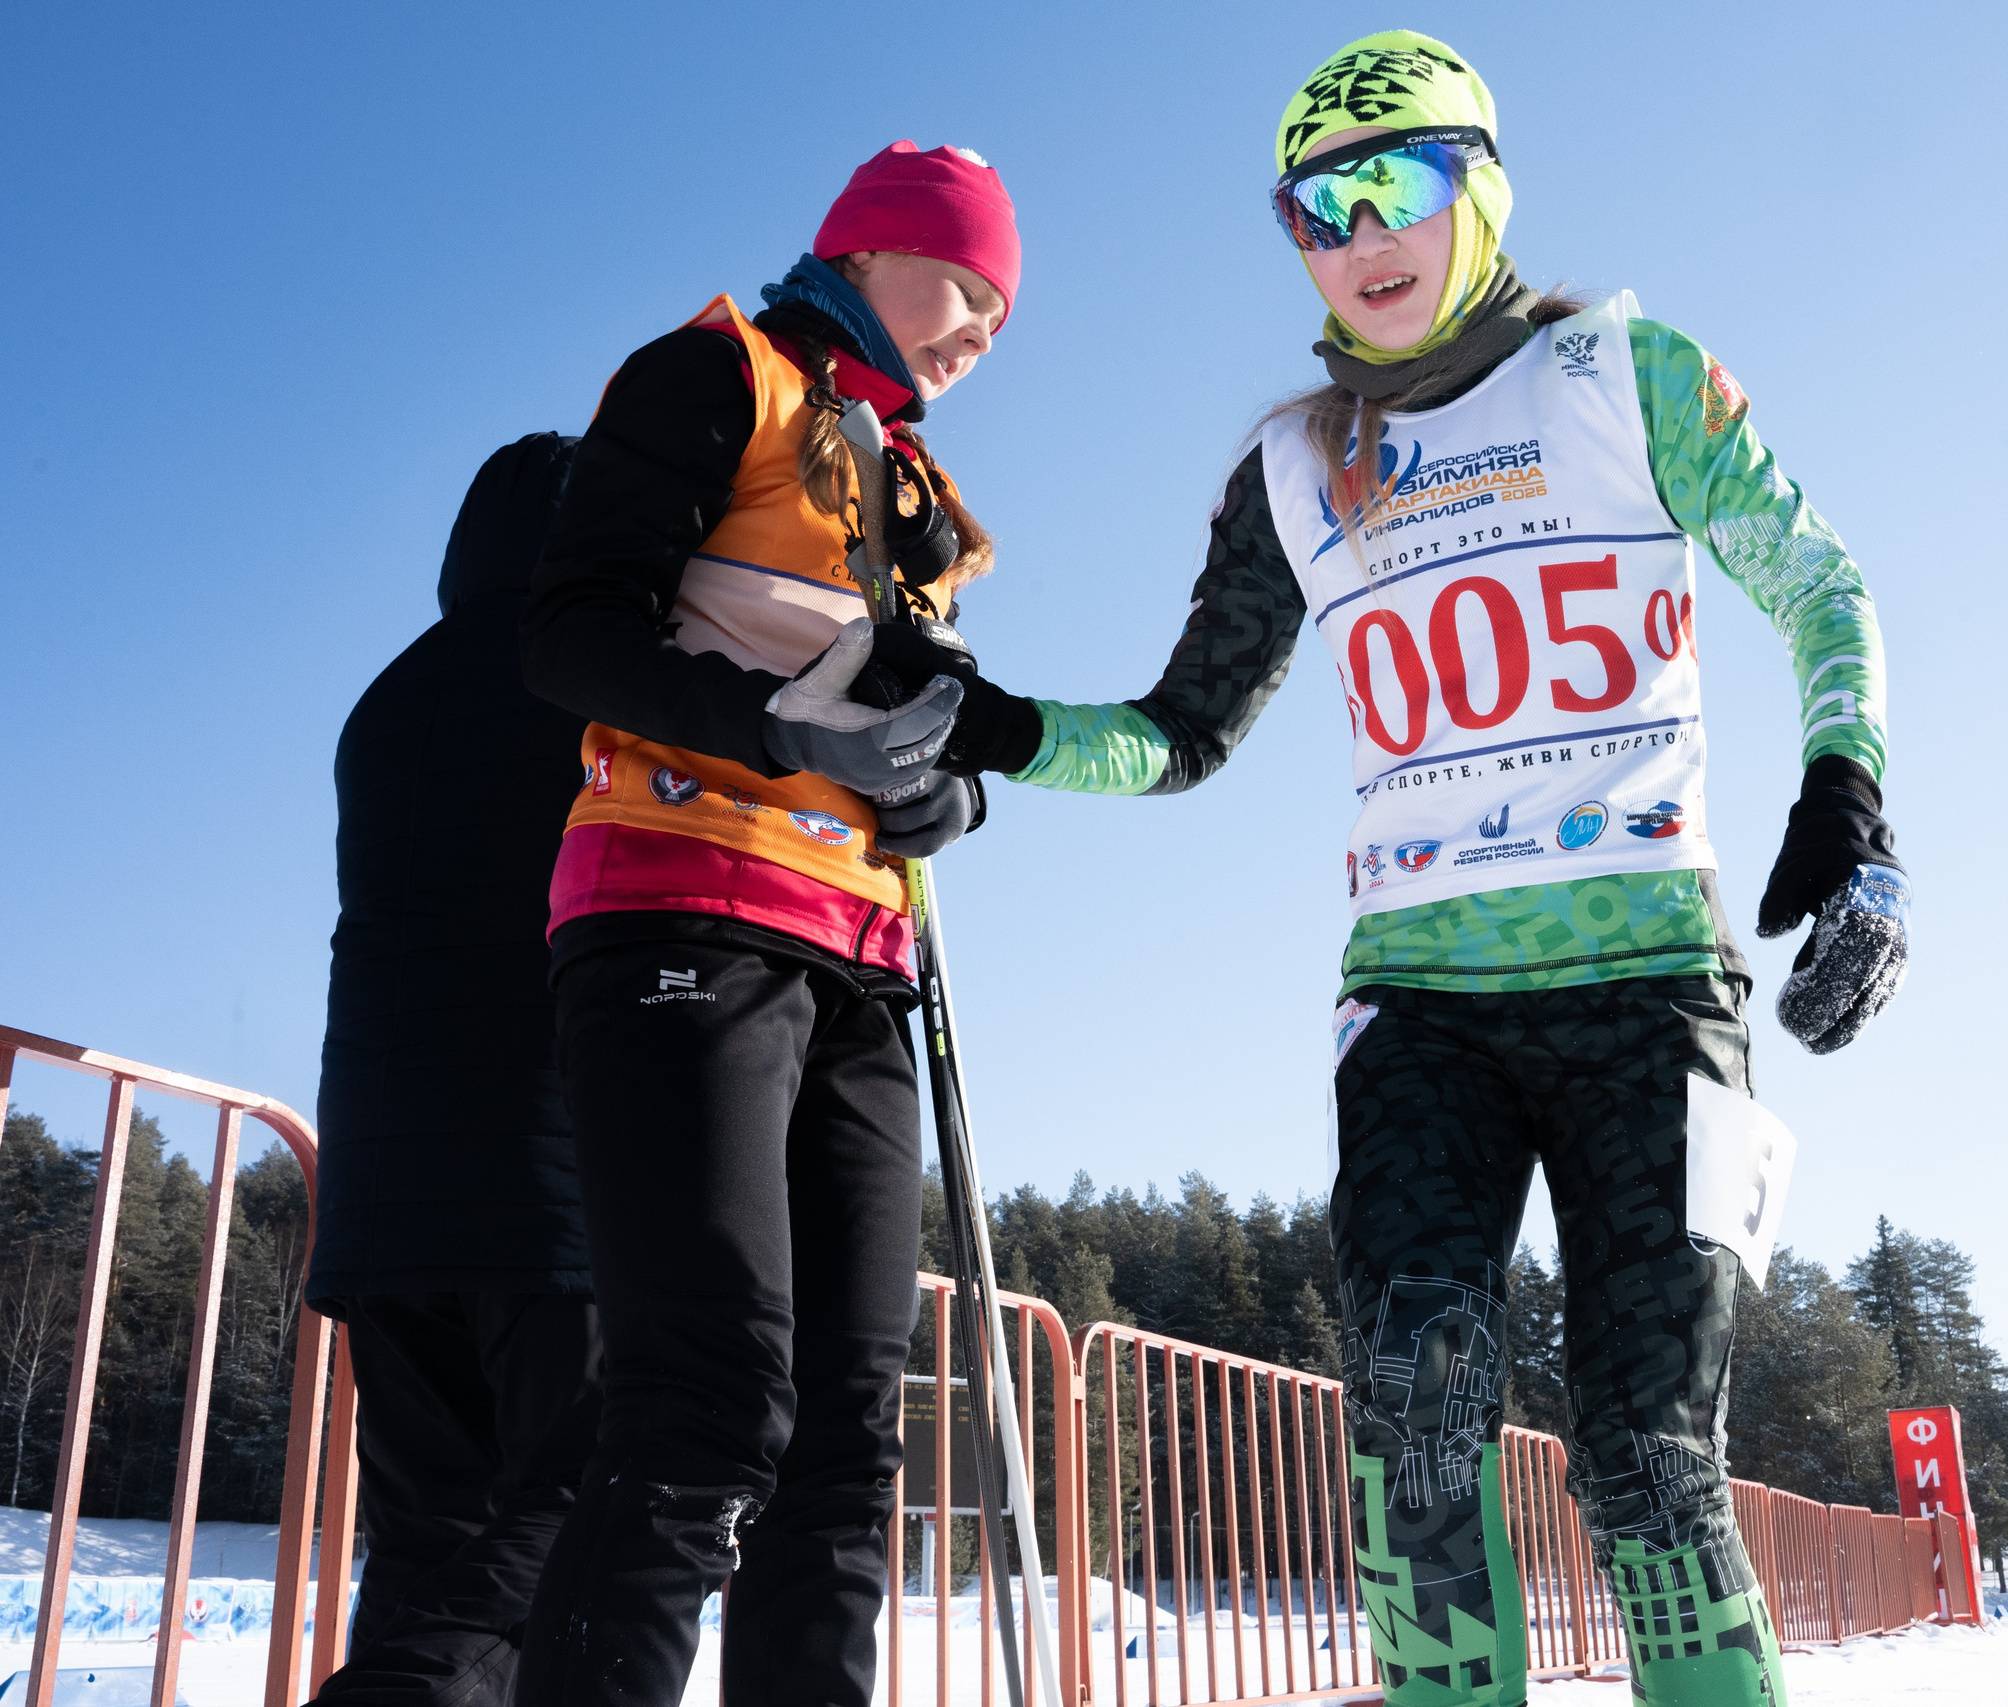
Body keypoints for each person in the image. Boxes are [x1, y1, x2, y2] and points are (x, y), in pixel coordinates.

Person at [908, 32, 1909, 1707]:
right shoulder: (1295, 467)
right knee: (1416, 1433)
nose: (1360, 236)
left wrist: (1854, 807)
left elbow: (1823, 585)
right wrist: (989, 729)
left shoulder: (1628, 372)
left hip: (1656, 991)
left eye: (1398, 186)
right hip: (1420, 1012)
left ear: (1481, 187)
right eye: (1315, 210)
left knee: (1650, 1444)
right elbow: (1183, 728)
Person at [511, 140, 1016, 1707]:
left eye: (1004, 313)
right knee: (707, 1399)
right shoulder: (715, 374)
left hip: (865, 961)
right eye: (964, 284)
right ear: (865, 250)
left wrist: (949, 799)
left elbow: (937, 722)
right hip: (685, 906)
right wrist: (789, 736)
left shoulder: (915, 486)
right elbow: (570, 634)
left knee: (850, 1432)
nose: (982, 328)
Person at [308, 432, 604, 1706]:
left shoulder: (388, 700)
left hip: (383, 1194)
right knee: (591, 1505)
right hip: (548, 1180)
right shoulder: (595, 677)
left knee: (433, 1535)